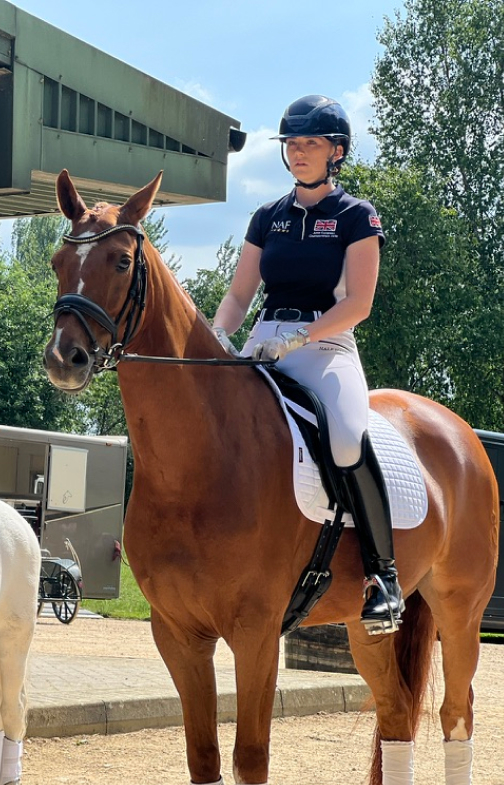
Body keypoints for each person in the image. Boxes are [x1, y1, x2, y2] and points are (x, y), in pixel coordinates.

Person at [210, 94, 403, 635]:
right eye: (292, 144)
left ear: (336, 151)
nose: (299, 152)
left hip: (325, 344)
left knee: (344, 436)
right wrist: (216, 338)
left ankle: (382, 576)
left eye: (311, 143)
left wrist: (300, 336)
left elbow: (359, 304)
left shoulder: (355, 216)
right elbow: (238, 296)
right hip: (264, 340)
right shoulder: (266, 217)